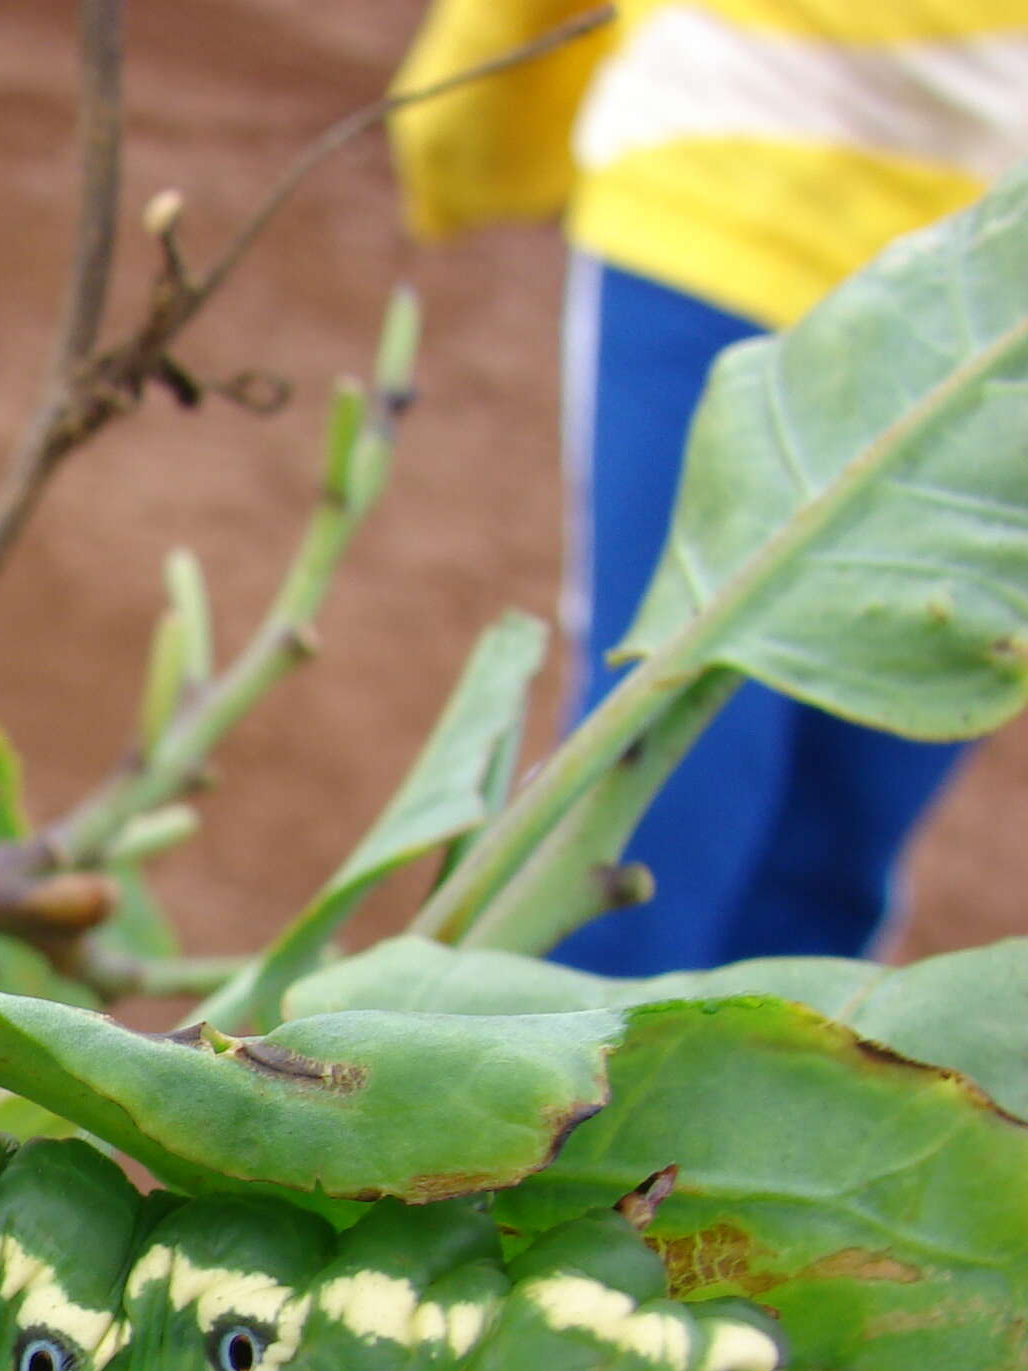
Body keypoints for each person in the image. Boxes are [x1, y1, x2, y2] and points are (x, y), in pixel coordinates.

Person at [390, 0, 1028, 971]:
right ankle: (559, 1108)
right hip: (731, 191)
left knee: (854, 800)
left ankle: (754, 1102)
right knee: (660, 775)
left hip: (1002, 306)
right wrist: (466, 124)